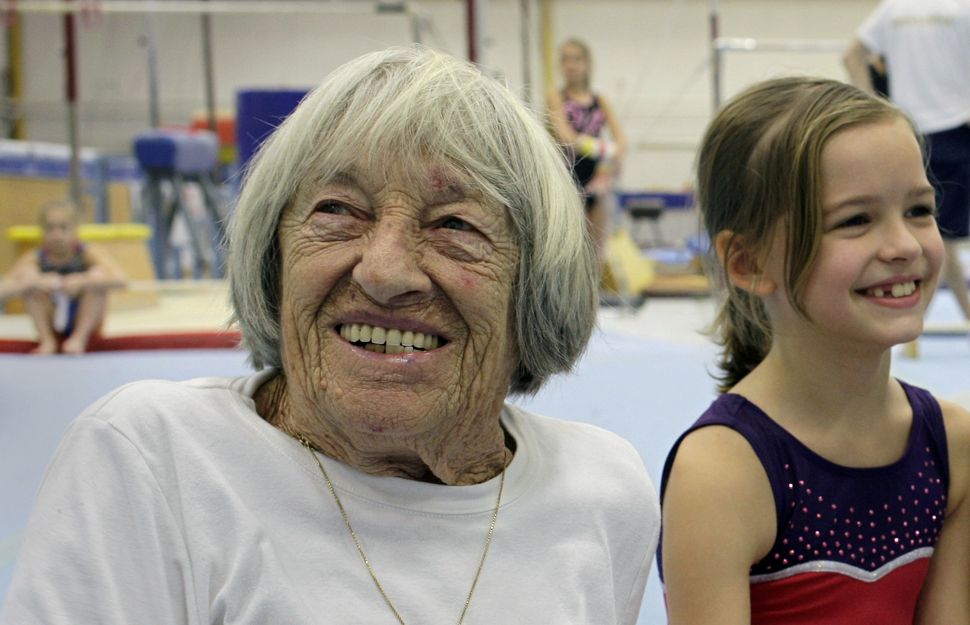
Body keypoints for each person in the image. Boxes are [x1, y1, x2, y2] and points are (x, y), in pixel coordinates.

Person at [0, 47, 660, 624]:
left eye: (455, 223)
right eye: (337, 210)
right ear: (274, 254)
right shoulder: (152, 461)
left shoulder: (602, 492)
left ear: (535, 286)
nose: (385, 272)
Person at [658, 77, 970, 624]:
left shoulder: (952, 446)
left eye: (919, 210)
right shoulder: (725, 472)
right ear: (748, 262)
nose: (903, 245)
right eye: (855, 220)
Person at [844, 0, 970, 326]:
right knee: (941, 238)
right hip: (955, 131)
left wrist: (873, 106)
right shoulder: (962, 8)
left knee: (930, 234)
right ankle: (913, 323)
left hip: (904, 134)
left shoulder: (893, 8)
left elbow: (851, 55)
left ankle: (934, 319)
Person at [2, 199, 125, 354]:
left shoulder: (87, 253)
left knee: (98, 275)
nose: (57, 235)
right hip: (51, 319)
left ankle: (79, 338)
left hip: (82, 321)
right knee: (28, 276)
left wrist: (83, 280)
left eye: (63, 228)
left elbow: (122, 280)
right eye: (50, 228)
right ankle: (47, 340)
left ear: (75, 229)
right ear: (42, 230)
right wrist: (34, 283)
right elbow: (3, 290)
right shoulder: (36, 257)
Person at [546, 38, 627, 268]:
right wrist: (605, 149)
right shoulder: (556, 97)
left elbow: (621, 141)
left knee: (596, 250)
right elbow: (566, 138)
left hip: (596, 178)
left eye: (576, 59)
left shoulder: (599, 100)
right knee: (571, 249)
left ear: (587, 64)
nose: (570, 65)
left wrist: (611, 160)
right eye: (565, 60)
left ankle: (593, 300)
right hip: (569, 176)